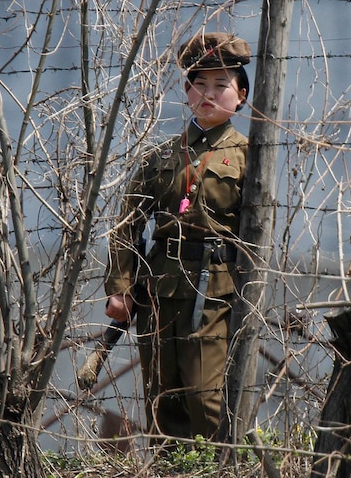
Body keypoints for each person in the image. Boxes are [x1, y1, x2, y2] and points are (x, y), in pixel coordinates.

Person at [104, 31, 250, 442]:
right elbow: (127, 222)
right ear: (187, 92)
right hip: (158, 291)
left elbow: (258, 233)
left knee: (206, 401)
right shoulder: (163, 155)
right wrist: (121, 288)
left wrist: (249, 293)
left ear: (240, 96)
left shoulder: (249, 155)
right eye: (199, 84)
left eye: (221, 85)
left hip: (216, 293)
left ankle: (217, 470)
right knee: (162, 400)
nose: (209, 93)